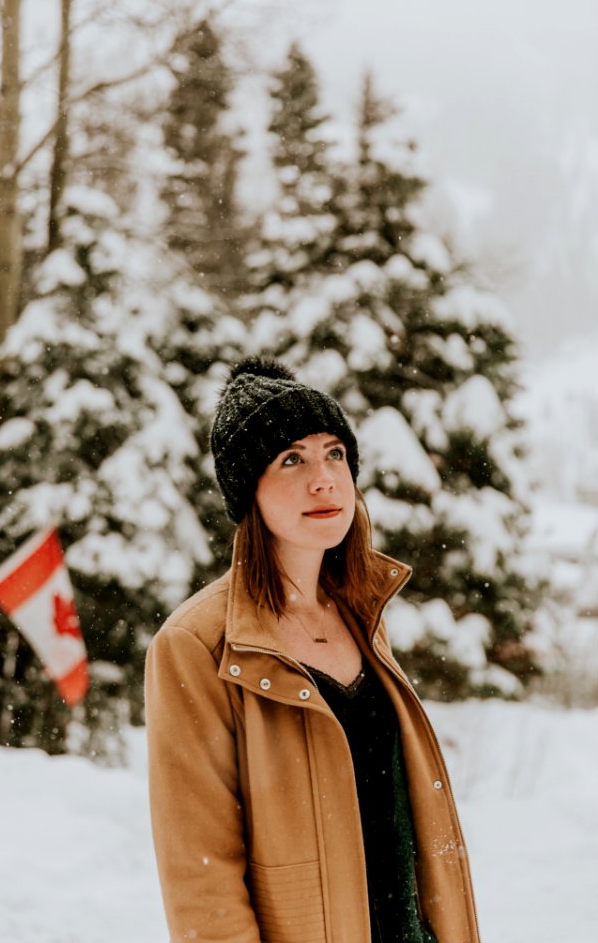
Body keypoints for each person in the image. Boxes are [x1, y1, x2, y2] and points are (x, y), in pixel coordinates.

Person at [145, 356, 480, 943]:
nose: (323, 478)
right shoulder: (196, 645)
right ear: (249, 489)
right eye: (291, 459)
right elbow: (202, 882)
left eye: (335, 454)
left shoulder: (363, 614)